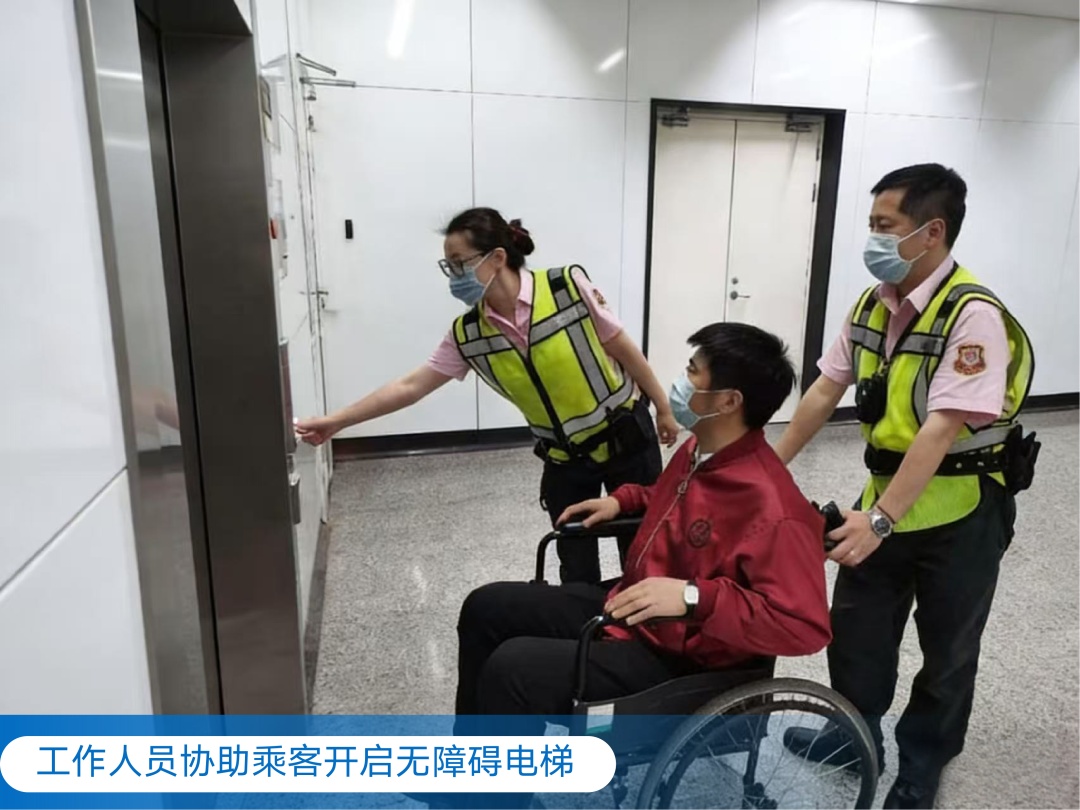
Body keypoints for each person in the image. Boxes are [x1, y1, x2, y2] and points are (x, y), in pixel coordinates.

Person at [775, 164, 1035, 809]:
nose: (872, 239)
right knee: (857, 633)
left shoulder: (972, 316)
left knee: (948, 650)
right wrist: (767, 470)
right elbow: (824, 390)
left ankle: (922, 762)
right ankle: (854, 740)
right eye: (871, 225)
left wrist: (880, 520)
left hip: (962, 510)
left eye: (883, 226)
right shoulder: (873, 304)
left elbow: (940, 429)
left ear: (931, 232)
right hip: (884, 497)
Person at [455, 322, 832, 729]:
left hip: (683, 659)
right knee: (485, 607)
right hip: (636, 608)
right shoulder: (701, 450)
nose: (680, 381)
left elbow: (803, 626)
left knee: (513, 669)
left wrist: (693, 598)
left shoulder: (774, 508)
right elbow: (682, 499)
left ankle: (494, 772)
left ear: (728, 401)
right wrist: (623, 500)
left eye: (692, 371)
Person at [296, 208, 678, 585]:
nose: (454, 276)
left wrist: (662, 407)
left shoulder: (565, 288)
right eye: (448, 266)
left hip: (627, 440)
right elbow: (410, 386)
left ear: (497, 258)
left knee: (643, 554)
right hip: (566, 461)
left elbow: (622, 347)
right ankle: (585, 624)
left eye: (459, 263)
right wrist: (336, 421)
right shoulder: (469, 333)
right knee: (576, 567)